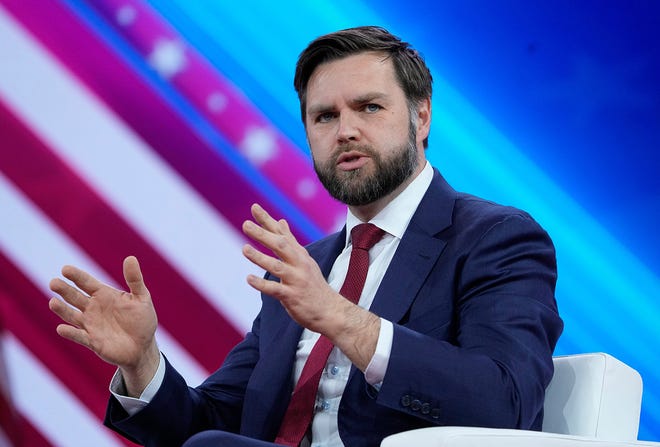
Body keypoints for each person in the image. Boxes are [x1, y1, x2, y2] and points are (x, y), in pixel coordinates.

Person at [48, 26, 563, 447]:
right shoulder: (302, 270)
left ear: (421, 115)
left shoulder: (496, 238)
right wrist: (142, 363)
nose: (345, 131)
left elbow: (506, 403)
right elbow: (209, 425)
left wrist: (338, 316)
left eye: (369, 107)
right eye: (325, 116)